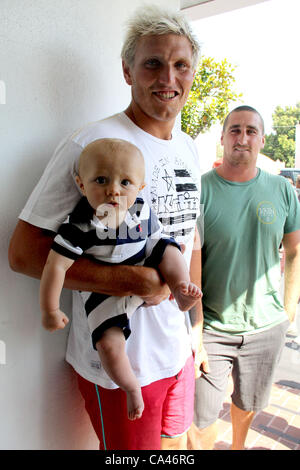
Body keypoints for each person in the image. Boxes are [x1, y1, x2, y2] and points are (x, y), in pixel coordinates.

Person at [8, 6, 206, 450]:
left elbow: (189, 238)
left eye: (180, 65)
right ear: (127, 70)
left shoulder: (191, 149)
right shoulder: (92, 145)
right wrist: (129, 280)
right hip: (120, 367)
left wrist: (196, 331)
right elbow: (23, 254)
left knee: (175, 446)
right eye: (152, 63)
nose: (167, 78)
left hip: (177, 354)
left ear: (193, 73)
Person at [40, 137, 202, 421]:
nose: (113, 190)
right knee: (108, 345)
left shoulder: (140, 209)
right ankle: (131, 387)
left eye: (125, 182)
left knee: (168, 247)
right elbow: (55, 266)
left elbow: (156, 241)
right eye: (101, 180)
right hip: (105, 294)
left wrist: (168, 269)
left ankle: (181, 288)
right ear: (81, 185)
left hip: (142, 260)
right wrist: (50, 310)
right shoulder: (79, 223)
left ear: (140, 188)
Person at [188, 105, 300, 451]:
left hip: (266, 326)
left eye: (251, 131)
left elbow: (295, 251)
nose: (242, 137)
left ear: (262, 140)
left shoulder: (281, 190)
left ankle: (237, 447)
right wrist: (196, 331)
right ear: (222, 138)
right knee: (200, 416)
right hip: (212, 330)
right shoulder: (200, 190)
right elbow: (189, 263)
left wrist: (289, 310)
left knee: (248, 403)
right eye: (234, 130)